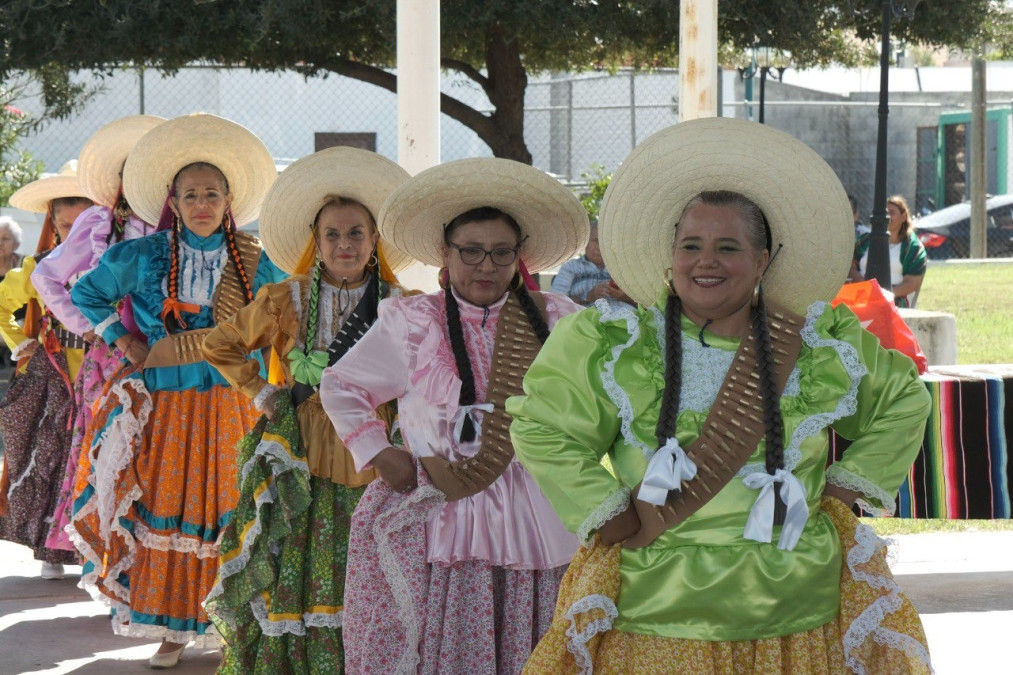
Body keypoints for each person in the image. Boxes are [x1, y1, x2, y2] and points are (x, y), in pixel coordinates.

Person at [508, 118, 933, 673]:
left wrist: (845, 486)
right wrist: (603, 507)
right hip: (654, 613)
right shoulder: (616, 341)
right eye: (691, 245)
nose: (705, 260)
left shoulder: (818, 344)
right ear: (671, 254)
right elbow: (541, 425)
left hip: (795, 610)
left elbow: (904, 401)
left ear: (762, 260)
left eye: (727, 247)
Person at [319, 157, 587, 674]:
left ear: (519, 256)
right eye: (471, 251)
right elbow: (341, 385)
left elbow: (602, 396)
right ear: (445, 252)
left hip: (534, 513)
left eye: (501, 252)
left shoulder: (557, 319)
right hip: (439, 510)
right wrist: (378, 451)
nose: (486, 265)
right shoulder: (413, 322)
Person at [67, 113, 285, 669]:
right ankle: (172, 629)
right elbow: (87, 293)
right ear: (174, 201)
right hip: (167, 405)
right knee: (169, 504)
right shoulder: (144, 255)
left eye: (212, 193)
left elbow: (286, 315)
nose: (202, 203)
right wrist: (123, 340)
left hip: (235, 404)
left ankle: (231, 627)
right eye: (191, 194)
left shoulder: (257, 259)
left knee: (233, 508)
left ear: (229, 200)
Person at [201, 147, 415, 673]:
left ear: (375, 239)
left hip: (375, 452)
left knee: (370, 561)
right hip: (299, 452)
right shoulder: (286, 297)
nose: (345, 244)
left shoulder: (402, 303)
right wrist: (262, 392)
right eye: (332, 235)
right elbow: (220, 344)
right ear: (315, 243)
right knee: (296, 559)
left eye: (356, 233)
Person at [31, 115, 165, 558]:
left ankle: (150, 554)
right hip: (111, 358)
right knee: (106, 446)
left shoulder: (180, 221)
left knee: (158, 448)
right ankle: (105, 551)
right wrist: (87, 323)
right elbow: (46, 276)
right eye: (134, 171)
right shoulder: (99, 221)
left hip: (168, 356)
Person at [0, 161, 93, 580]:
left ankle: (92, 550)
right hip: (53, 374)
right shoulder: (38, 266)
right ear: (53, 225)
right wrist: (22, 343)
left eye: (83, 224)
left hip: (100, 375)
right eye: (66, 225)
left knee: (94, 459)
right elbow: (2, 305)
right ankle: (49, 550)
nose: (74, 234)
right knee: (49, 459)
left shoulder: (111, 266)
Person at [849, 195, 927, 307]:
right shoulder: (866, 240)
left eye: (892, 213)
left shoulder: (912, 247)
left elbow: (912, 282)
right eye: (885, 213)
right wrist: (866, 287)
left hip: (895, 300)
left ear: (903, 217)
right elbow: (851, 267)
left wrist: (884, 295)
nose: (887, 217)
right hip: (862, 295)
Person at [551, 221, 630, 305]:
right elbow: (556, 302)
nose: (600, 247)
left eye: (605, 242)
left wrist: (622, 296)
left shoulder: (621, 268)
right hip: (585, 312)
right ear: (586, 242)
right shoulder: (571, 266)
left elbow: (640, 302)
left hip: (626, 312)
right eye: (596, 241)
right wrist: (588, 296)